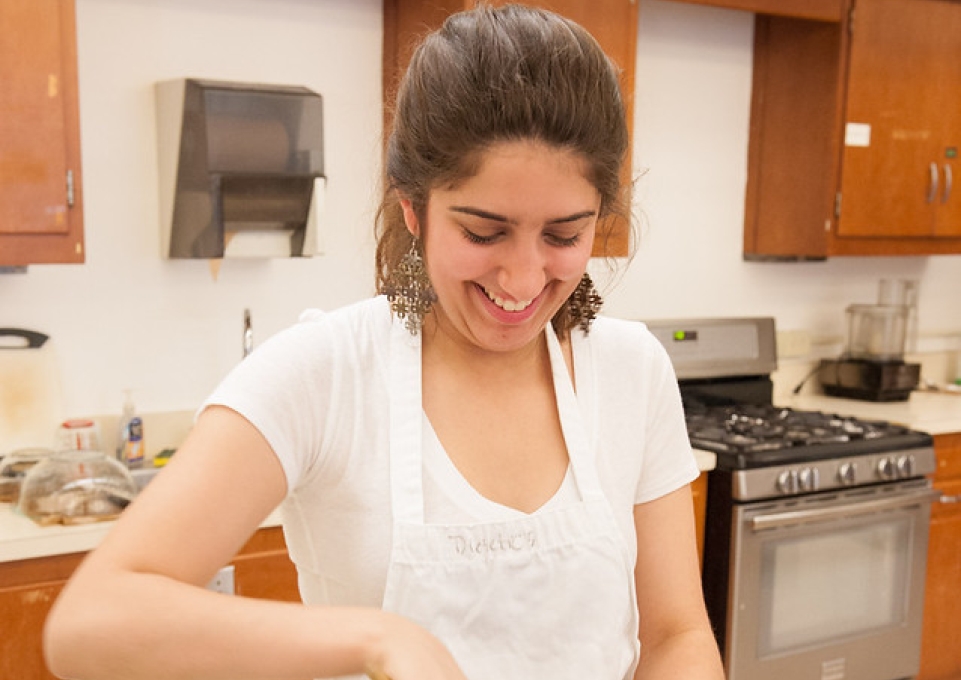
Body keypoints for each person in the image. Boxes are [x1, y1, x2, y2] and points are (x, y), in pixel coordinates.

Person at [44, 4, 725, 680]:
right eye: (483, 232)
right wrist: (377, 639)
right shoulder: (323, 375)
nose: (521, 276)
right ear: (413, 209)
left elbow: (673, 637)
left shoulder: (630, 370)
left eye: (563, 235)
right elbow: (89, 625)